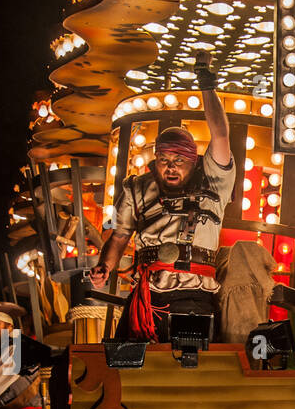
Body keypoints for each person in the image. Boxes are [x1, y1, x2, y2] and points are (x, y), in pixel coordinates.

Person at [90, 56, 234, 343]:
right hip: (147, 295)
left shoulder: (214, 182)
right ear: (155, 160)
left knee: (192, 368)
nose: (171, 166)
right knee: (124, 363)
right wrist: (105, 266)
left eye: (179, 160)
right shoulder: (136, 188)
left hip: (196, 292)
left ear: (193, 162)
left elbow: (219, 134)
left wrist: (207, 85)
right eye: (164, 159)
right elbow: (119, 236)